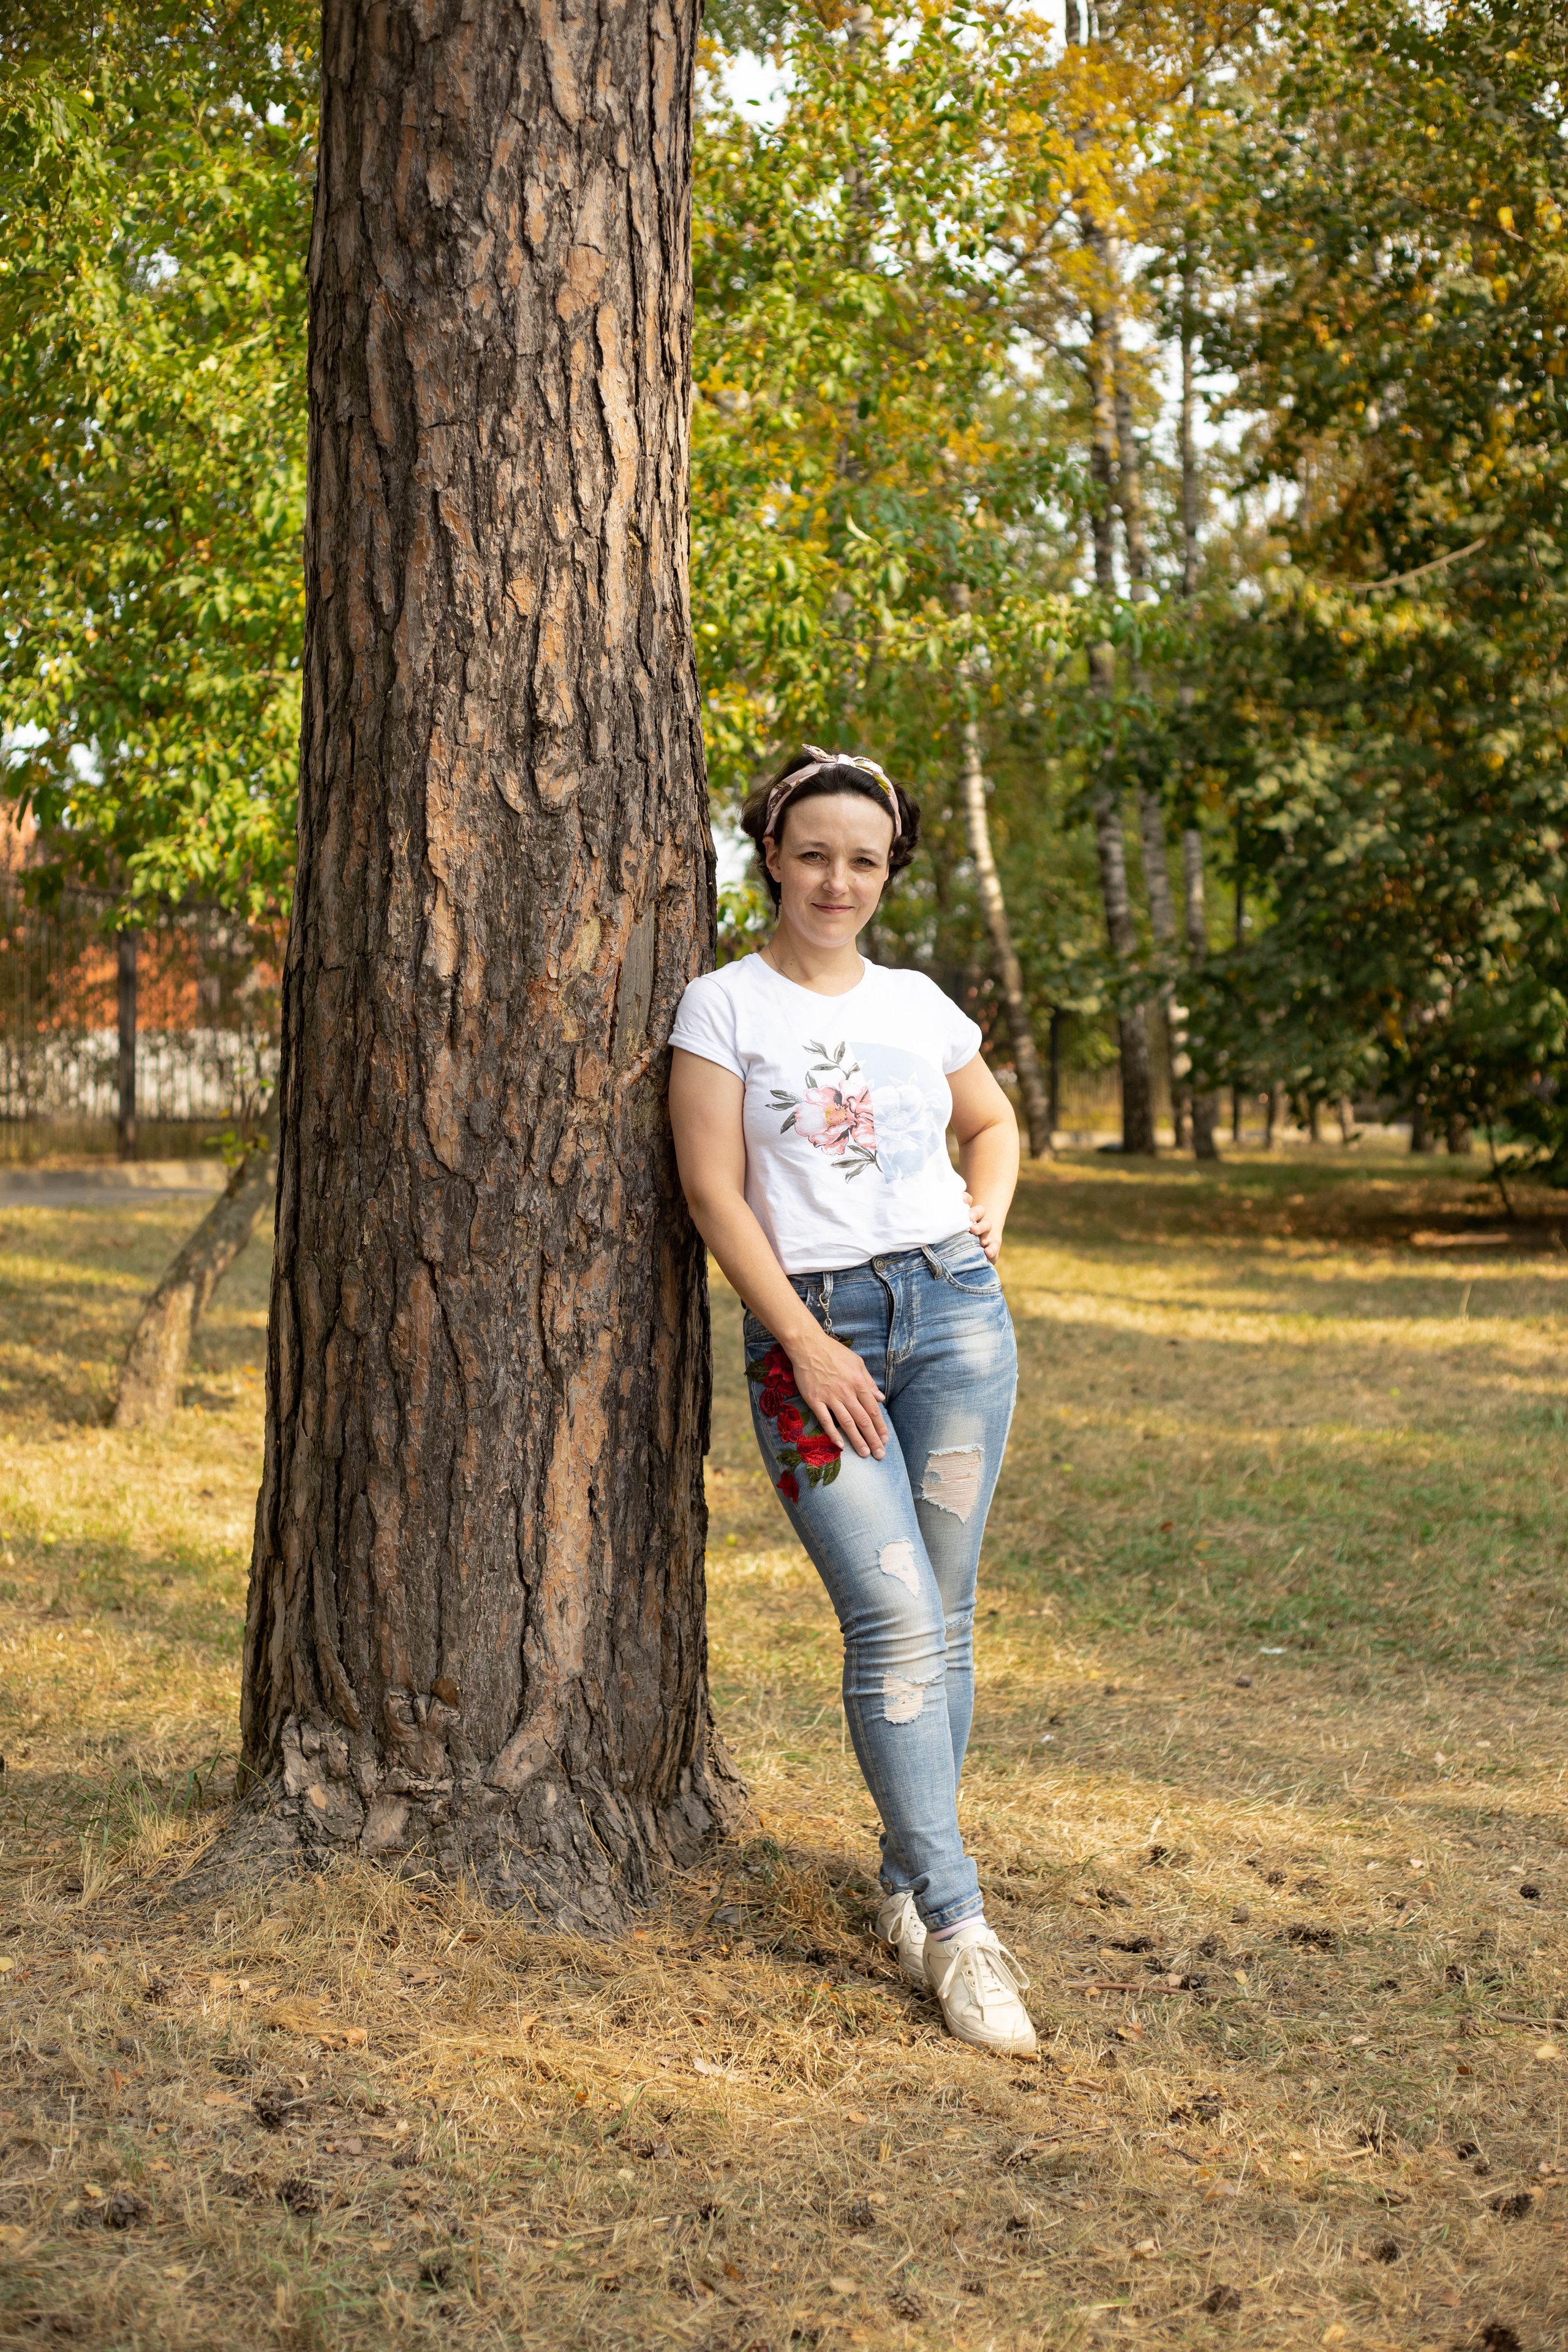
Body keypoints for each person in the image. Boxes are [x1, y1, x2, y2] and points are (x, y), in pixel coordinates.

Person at [668, 745, 1036, 2057]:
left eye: (864, 860)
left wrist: (981, 1220)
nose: (837, 880)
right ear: (770, 853)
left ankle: (900, 1881)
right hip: (807, 1338)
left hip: (953, 1326)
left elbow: (990, 1125)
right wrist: (804, 1347)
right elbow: (714, 1194)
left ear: (887, 872)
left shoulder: (920, 1003)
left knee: (944, 1615)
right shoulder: (720, 1008)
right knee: (891, 1617)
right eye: (813, 853)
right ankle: (958, 1927)